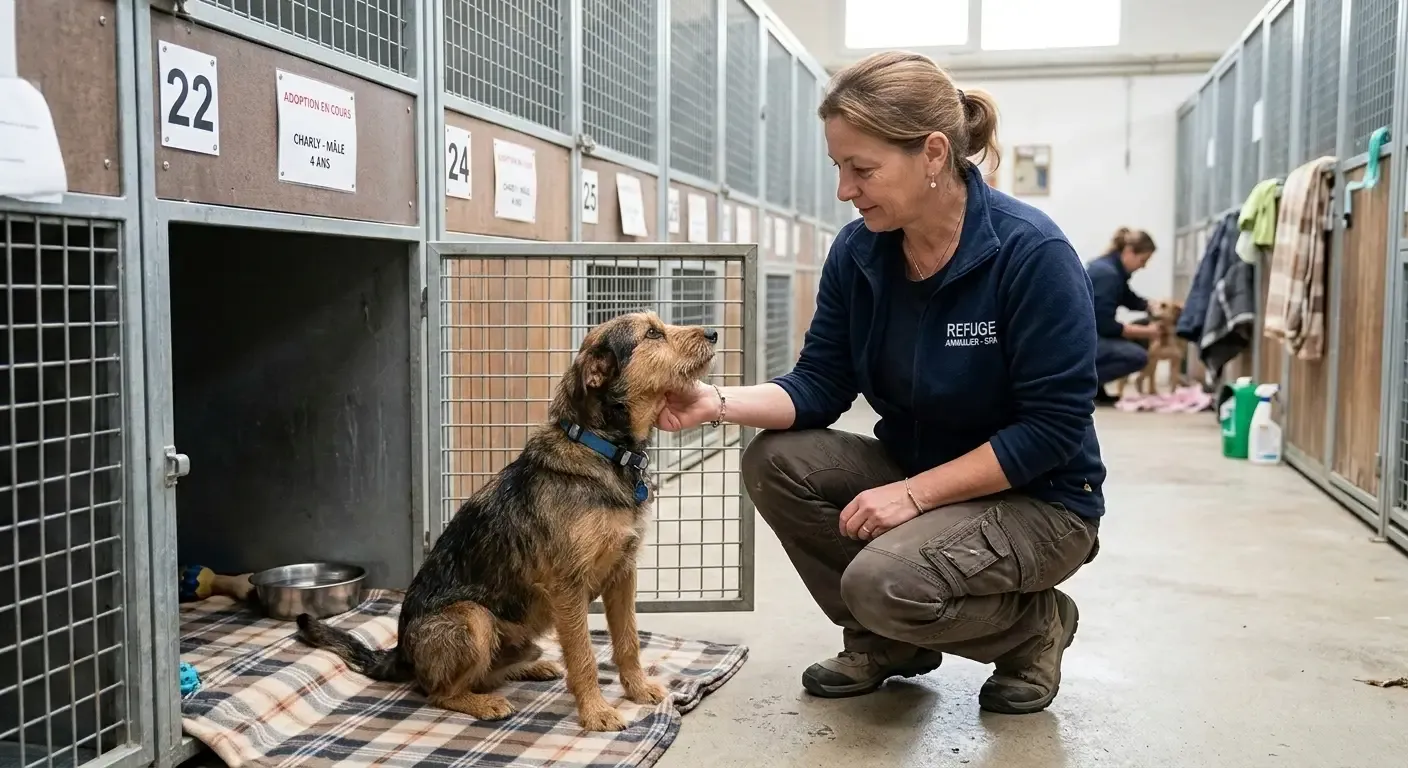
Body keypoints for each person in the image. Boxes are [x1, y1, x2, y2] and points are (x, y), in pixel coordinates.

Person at [655, 50, 1104, 715]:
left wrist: (914, 496)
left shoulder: (1030, 254)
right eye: (839, 167)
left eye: (862, 169)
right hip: (919, 466)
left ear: (931, 153)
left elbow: (1053, 430)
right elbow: (819, 384)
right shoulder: (860, 251)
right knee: (777, 460)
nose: (845, 189)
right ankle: (889, 643)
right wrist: (713, 403)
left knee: (884, 582)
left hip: (1040, 501)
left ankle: (1034, 629)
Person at [1086, 227, 1160, 404]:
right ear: (1128, 252)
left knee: (1138, 332)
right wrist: (1148, 332)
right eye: (1143, 260)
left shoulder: (1111, 269)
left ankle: (1096, 388)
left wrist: (1150, 305)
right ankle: (1081, 386)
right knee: (1137, 356)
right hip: (1083, 340)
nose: (1144, 266)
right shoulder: (1108, 275)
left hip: (1085, 335)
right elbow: (1105, 325)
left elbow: (1129, 298)